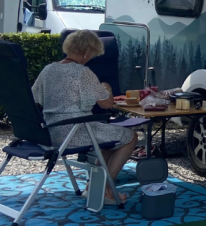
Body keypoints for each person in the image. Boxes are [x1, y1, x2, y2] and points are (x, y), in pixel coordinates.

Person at [32, 30, 137, 204]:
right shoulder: (83, 73)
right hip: (75, 132)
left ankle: (93, 187)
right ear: (87, 52)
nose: (90, 59)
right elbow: (107, 104)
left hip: (50, 133)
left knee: (110, 139)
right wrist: (107, 89)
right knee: (131, 137)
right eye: (92, 55)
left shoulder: (48, 70)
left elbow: (34, 100)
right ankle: (104, 188)